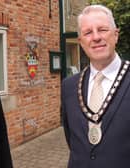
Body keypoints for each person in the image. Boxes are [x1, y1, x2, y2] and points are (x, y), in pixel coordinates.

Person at [61, 4, 130, 168]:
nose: (96, 37)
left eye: (102, 29)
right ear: (81, 41)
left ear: (116, 35)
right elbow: (72, 139)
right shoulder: (69, 86)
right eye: (88, 32)